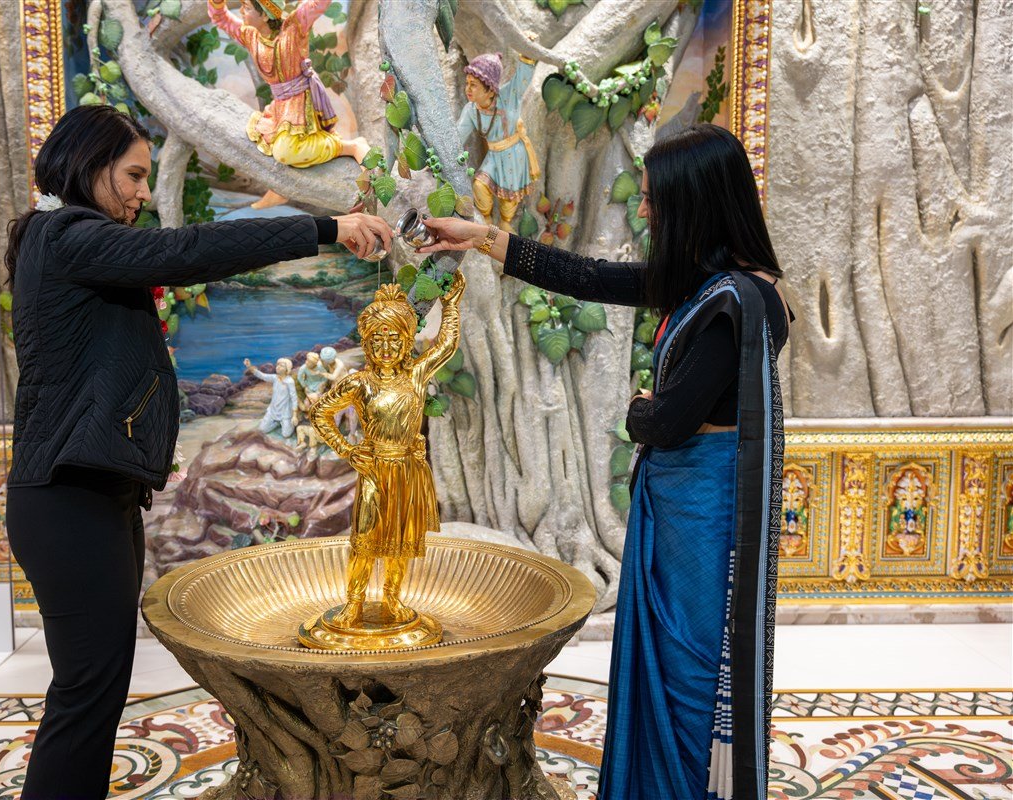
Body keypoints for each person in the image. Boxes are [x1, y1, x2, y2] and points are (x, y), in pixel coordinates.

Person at [3, 103, 391, 800]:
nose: (141, 193)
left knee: (95, 692)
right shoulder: (66, 236)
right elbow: (187, 252)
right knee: (86, 696)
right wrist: (326, 227)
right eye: (132, 176)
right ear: (88, 166)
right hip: (68, 500)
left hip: (92, 494)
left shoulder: (63, 240)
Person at [418, 123, 794, 800]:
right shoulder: (713, 286)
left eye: (654, 199)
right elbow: (589, 277)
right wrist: (480, 237)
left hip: (701, 520)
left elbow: (667, 423)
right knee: (673, 664)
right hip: (686, 508)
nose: (643, 210)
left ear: (695, 204)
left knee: (688, 670)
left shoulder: (734, 302)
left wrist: (639, 409)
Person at [308, 273, 465, 627]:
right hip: (374, 471)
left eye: (394, 339)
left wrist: (451, 305)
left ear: (406, 342)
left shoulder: (416, 376)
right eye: (378, 340)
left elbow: (446, 345)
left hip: (408, 471)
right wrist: (347, 450)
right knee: (364, 540)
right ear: (367, 344)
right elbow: (319, 413)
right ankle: (354, 603)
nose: (386, 348)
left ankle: (393, 599)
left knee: (401, 541)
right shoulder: (359, 383)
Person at [207, 0, 370, 209]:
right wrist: (217, 3)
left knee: (285, 152)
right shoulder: (251, 35)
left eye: (247, 8)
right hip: (280, 108)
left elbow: (318, 4)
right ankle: (280, 190)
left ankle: (351, 146)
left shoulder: (294, 27)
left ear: (264, 14)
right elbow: (221, 18)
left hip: (302, 104)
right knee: (262, 141)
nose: (241, 11)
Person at [457, 46, 541, 232]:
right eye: (467, 83)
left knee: (509, 197)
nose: (468, 89)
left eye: (473, 85)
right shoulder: (471, 110)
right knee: (480, 185)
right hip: (494, 156)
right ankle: (486, 220)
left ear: (490, 90)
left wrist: (527, 55)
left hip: (514, 155)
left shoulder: (507, 97)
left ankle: (505, 222)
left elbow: (521, 80)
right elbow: (458, 135)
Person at [244, 356, 299, 437]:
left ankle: (286, 423)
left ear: (287, 369)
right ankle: (276, 423)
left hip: (285, 411)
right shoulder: (275, 378)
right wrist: (249, 366)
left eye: (281, 366)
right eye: (277, 365)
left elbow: (294, 398)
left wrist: (294, 415)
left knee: (286, 434)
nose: (278, 367)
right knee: (262, 430)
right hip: (273, 410)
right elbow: (262, 375)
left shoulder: (289, 381)